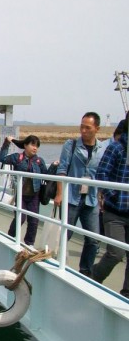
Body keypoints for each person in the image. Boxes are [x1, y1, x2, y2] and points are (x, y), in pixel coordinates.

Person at [54, 112, 105, 277]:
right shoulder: (71, 145)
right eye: (81, 126)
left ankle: (86, 271)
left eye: (87, 127)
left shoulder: (102, 148)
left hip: (91, 199)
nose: (83, 130)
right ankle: (58, 263)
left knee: (93, 239)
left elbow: (102, 174)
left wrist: (101, 197)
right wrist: (60, 193)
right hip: (72, 197)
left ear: (97, 128)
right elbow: (62, 170)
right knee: (65, 234)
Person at [91, 118, 129, 298]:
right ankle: (94, 277)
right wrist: (115, 195)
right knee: (116, 253)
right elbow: (101, 174)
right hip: (115, 212)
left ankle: (127, 294)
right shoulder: (116, 148)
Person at [0, 135, 48, 246]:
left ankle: (29, 244)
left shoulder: (39, 161)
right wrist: (6, 144)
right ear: (25, 145)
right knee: (20, 218)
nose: (35, 148)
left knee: (34, 221)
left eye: (37, 146)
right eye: (32, 145)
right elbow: (2, 159)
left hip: (34, 195)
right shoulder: (18, 157)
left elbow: (47, 175)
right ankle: (10, 237)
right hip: (21, 194)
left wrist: (55, 166)